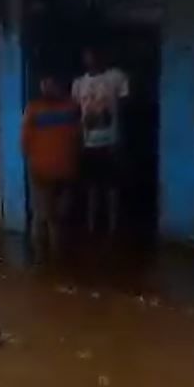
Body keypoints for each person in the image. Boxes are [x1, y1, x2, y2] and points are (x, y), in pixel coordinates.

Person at [72, 46, 130, 236]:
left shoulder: (116, 77)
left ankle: (113, 226)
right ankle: (91, 226)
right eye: (88, 57)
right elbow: (77, 113)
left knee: (112, 187)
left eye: (95, 56)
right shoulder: (79, 83)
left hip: (111, 141)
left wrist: (120, 136)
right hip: (89, 142)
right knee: (92, 188)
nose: (92, 60)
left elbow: (123, 109)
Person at [22, 75, 81, 258]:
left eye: (49, 85)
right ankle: (53, 260)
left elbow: (25, 143)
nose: (46, 89)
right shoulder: (71, 108)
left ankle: (44, 262)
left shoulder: (35, 109)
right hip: (57, 170)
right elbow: (78, 138)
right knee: (53, 217)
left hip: (49, 170)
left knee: (45, 216)